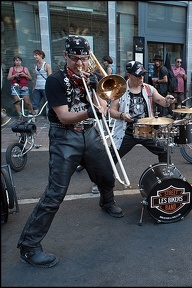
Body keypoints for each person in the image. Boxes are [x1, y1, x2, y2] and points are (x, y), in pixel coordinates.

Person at [16, 36, 124, 268]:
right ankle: (29, 246)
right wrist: (90, 112)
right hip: (65, 136)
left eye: (84, 59)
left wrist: (99, 104)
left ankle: (107, 202)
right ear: (65, 56)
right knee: (55, 193)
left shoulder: (93, 77)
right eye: (75, 59)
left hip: (90, 133)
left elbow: (103, 106)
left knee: (105, 174)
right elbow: (64, 116)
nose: (81, 63)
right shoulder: (56, 80)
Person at [110, 60, 175, 164]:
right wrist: (122, 115)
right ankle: (108, 179)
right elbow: (112, 111)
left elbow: (162, 101)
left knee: (164, 151)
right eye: (138, 76)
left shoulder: (149, 88)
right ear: (129, 75)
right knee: (112, 156)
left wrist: (168, 100)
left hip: (146, 129)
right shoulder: (119, 90)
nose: (141, 78)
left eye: (143, 75)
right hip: (127, 130)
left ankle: (164, 176)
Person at [32, 49, 52, 116]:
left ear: (41, 55)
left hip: (45, 87)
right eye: (34, 55)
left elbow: (50, 78)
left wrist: (50, 88)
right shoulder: (35, 65)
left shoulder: (46, 65)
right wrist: (34, 87)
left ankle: (50, 116)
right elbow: (35, 77)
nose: (35, 56)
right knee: (35, 103)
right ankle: (34, 117)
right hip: (37, 87)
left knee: (49, 103)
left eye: (36, 55)